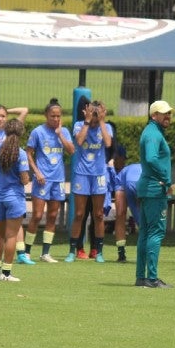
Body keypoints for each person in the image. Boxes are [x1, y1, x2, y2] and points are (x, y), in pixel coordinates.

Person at [24, 98, 75, 263]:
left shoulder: (64, 131)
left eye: (58, 116)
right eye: (53, 116)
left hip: (58, 179)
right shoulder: (38, 132)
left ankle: (45, 253)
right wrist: (37, 172)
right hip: (42, 180)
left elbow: (72, 150)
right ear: (46, 115)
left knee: (53, 215)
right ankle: (26, 251)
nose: (56, 119)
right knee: (37, 215)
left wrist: (60, 135)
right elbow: (28, 154)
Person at [65, 99, 113, 263]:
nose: (94, 115)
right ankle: (73, 250)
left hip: (99, 174)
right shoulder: (80, 125)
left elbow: (107, 143)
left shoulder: (105, 127)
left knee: (98, 214)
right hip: (81, 174)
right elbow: (78, 141)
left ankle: (98, 251)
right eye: (92, 112)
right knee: (79, 214)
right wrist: (87, 121)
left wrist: (101, 121)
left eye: (97, 112)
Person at [0, 118, 30, 282]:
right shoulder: (21, 153)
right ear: (21, 134)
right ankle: (7, 273)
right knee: (11, 236)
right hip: (14, 198)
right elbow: (25, 179)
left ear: (5, 131)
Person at [135, 100, 173, 288]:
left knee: (145, 233)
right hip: (154, 189)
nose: (168, 116)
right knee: (156, 232)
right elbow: (151, 158)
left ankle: (141, 276)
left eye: (169, 113)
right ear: (153, 115)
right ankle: (152, 278)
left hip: (147, 187)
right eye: (163, 113)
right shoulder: (153, 134)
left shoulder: (152, 132)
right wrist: (166, 178)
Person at [113, 162, 141, 263]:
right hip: (124, 180)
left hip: (136, 182)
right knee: (120, 214)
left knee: (142, 220)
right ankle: (121, 253)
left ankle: (144, 253)